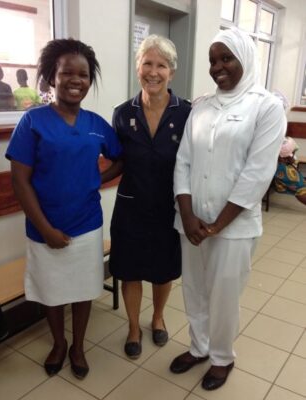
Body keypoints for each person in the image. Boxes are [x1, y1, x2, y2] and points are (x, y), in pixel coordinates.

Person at [170, 27, 286, 391]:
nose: (217, 66)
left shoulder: (265, 106)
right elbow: (183, 160)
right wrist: (187, 214)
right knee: (194, 288)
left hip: (233, 227)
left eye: (226, 58)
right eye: (213, 60)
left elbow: (257, 173)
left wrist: (217, 225)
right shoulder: (202, 105)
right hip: (191, 222)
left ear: (245, 59)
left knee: (223, 294)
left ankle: (221, 356)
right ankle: (199, 346)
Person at [5, 38, 121, 379]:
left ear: (89, 80)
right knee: (52, 292)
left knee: (84, 289)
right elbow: (19, 182)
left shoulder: (97, 124)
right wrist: (45, 229)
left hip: (87, 225)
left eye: (83, 74)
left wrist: (94, 181)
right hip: (45, 228)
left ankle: (78, 346)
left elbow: (120, 158)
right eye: (66, 72)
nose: (75, 80)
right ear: (51, 78)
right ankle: (58, 343)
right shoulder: (32, 122)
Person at [108, 34, 191, 359]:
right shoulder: (122, 113)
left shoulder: (186, 112)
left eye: (161, 65)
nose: (153, 71)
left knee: (163, 269)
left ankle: (157, 317)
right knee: (129, 270)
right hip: (131, 207)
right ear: (137, 67)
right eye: (147, 64)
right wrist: (91, 180)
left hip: (169, 208)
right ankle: (132, 326)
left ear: (171, 72)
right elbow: (118, 161)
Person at [274, 136, 306, 205]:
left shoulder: (285, 148)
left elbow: (293, 160)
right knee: (299, 189)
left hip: (287, 169)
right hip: (283, 174)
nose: (293, 154)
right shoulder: (281, 166)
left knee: (301, 184)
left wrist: (291, 161)